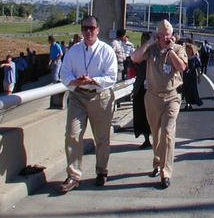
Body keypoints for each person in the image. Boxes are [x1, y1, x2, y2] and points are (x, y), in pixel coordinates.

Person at [58, 15, 118, 194]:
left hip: (100, 97)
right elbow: (64, 73)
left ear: (98, 30)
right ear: (81, 30)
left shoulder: (106, 51)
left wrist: (93, 80)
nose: (88, 31)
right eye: (85, 28)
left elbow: (111, 77)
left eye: (92, 28)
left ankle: (101, 170)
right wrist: (74, 81)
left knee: (101, 138)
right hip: (78, 96)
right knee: (72, 134)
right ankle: (73, 176)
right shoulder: (73, 51)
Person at [130, 20, 187, 189]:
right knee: (156, 134)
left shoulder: (177, 49)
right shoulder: (151, 49)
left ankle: (166, 172)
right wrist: (149, 42)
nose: (164, 38)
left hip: (172, 97)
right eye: (161, 36)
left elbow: (182, 67)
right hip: (152, 97)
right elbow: (135, 57)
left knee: (168, 133)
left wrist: (170, 51)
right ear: (157, 35)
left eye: (167, 36)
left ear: (172, 36)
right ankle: (157, 161)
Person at [132, 32, 152, 149]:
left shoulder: (156, 52)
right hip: (140, 88)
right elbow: (134, 59)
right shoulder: (140, 53)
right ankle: (146, 139)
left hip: (153, 88)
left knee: (152, 116)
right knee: (141, 115)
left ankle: (155, 138)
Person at [182, 43, 203, 110]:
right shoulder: (183, 57)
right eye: (187, 49)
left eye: (189, 49)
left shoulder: (194, 58)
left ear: (192, 50)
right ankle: (187, 103)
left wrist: (199, 77)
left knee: (192, 91)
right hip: (184, 77)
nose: (188, 50)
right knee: (185, 90)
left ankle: (190, 103)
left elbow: (198, 68)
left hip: (192, 77)